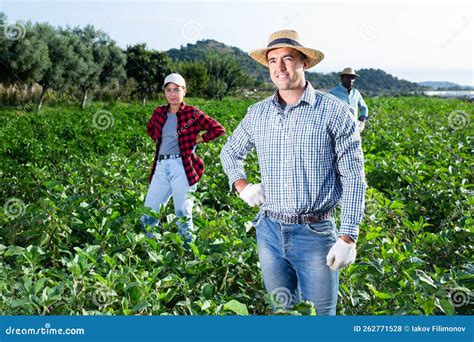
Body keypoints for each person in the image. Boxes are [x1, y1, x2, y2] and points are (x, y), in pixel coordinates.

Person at [220, 30, 366, 315]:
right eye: (273, 61)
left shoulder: (334, 112)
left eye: (288, 59)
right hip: (269, 232)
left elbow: (354, 178)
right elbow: (230, 151)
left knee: (320, 317)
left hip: (315, 233)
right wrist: (243, 186)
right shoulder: (258, 113)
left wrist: (348, 237)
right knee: (283, 312)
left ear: (304, 63)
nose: (280, 67)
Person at [142, 73, 225, 242]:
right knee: (149, 211)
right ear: (165, 92)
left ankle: (188, 254)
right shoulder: (159, 112)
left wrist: (200, 139)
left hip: (182, 166)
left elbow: (218, 129)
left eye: (176, 90)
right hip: (161, 166)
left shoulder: (192, 113)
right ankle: (146, 249)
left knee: (182, 214)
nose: (172, 94)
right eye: (169, 90)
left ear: (184, 91)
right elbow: (150, 129)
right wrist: (163, 140)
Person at [329, 67, 369, 132]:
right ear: (342, 78)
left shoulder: (356, 93)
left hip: (354, 128)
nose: (350, 80)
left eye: (352, 78)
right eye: (348, 77)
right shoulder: (333, 92)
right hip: (338, 128)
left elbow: (364, 108)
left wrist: (362, 120)